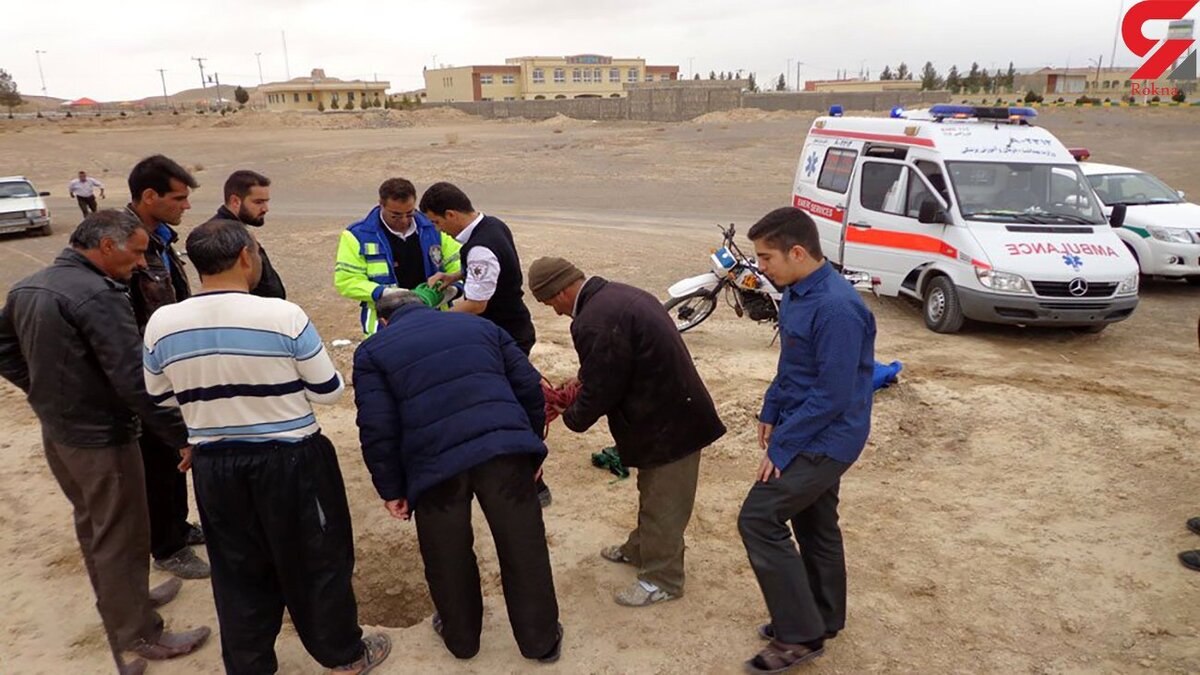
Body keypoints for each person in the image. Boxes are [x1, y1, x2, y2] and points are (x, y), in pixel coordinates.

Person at [142, 219, 391, 675]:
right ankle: (343, 655)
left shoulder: (162, 322)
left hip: (214, 464)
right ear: (245, 257)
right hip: (290, 460)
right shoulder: (282, 315)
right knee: (318, 560)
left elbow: (158, 395)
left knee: (237, 571)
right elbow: (329, 390)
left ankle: (249, 665)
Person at [0, 210, 211, 674]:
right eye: (136, 252)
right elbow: (135, 382)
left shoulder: (31, 284)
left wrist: (42, 393)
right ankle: (138, 634)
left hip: (62, 433)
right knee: (120, 534)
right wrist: (181, 437)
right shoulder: (98, 294)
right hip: (101, 439)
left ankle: (127, 601)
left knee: (95, 527)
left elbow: (4, 349)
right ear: (108, 247)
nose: (141, 263)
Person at [352, 288, 562, 663]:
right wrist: (530, 447)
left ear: (383, 322)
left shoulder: (372, 351)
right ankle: (540, 643)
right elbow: (530, 387)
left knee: (446, 554)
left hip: (433, 465)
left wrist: (391, 487)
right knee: (523, 545)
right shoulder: (481, 327)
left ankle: (461, 640)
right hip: (504, 451)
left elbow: (377, 426)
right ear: (429, 307)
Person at [528, 256, 726, 607]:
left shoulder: (592, 321)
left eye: (549, 303)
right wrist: (582, 378)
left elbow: (603, 387)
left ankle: (662, 578)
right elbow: (614, 361)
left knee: (665, 501)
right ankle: (640, 548)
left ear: (561, 290)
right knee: (651, 491)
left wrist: (571, 415)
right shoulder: (620, 294)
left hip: (670, 422)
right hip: (666, 411)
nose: (556, 312)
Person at [736, 207, 876, 673]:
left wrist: (783, 446)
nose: (761, 267)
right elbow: (793, 366)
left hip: (829, 437)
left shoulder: (838, 308)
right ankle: (824, 615)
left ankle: (799, 635)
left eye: (766, 257)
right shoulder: (796, 291)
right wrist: (771, 408)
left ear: (797, 252)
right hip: (803, 423)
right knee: (815, 521)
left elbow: (833, 394)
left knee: (759, 517)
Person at [420, 182, 552, 508]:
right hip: (510, 330)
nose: (440, 230)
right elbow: (489, 272)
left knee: (513, 406)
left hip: (505, 337)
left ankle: (533, 478)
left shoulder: (479, 247)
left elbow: (477, 304)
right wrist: (453, 278)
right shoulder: (492, 225)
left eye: (437, 222)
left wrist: (432, 319)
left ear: (450, 214)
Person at [125, 154, 209, 580]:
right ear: (149, 196)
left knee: (177, 452)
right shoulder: (127, 245)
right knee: (159, 459)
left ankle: (178, 524)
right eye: (178, 198)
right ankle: (167, 545)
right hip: (145, 371)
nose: (186, 206)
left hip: (169, 363)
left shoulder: (159, 238)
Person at [334, 177, 461, 336]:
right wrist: (384, 293)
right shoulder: (357, 235)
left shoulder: (433, 227)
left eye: (409, 213)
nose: (404, 220)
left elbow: (460, 266)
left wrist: (454, 289)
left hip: (434, 316)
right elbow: (347, 281)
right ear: (381, 204)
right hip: (386, 322)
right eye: (395, 215)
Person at [202, 169, 286, 298]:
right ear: (235, 201)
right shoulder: (219, 236)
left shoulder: (234, 230)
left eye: (266, 201)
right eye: (258, 202)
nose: (265, 209)